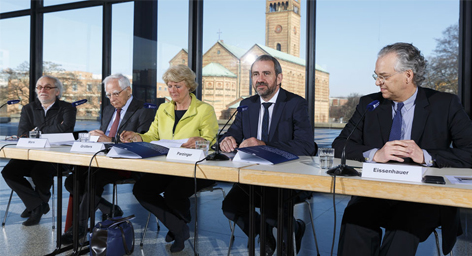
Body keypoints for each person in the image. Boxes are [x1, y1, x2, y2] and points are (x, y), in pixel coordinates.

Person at [332, 42, 472, 256]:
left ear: (408, 75)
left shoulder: (446, 104)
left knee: (403, 229)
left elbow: (469, 151)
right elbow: (340, 145)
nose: (378, 82)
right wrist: (375, 154)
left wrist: (425, 155)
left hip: (423, 197)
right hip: (375, 192)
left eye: (384, 76)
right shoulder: (369, 104)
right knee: (354, 219)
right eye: (376, 76)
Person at [219, 55, 316, 255]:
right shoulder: (247, 105)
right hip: (252, 176)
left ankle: (290, 230)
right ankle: (264, 234)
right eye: (255, 74)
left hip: (285, 178)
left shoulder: (295, 103)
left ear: (278, 78)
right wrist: (226, 140)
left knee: (272, 213)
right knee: (230, 207)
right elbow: (233, 132)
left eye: (266, 73)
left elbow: (305, 146)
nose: (260, 79)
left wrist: (264, 145)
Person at [121, 65, 218, 253]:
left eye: (177, 86)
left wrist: (201, 141)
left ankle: (177, 229)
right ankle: (179, 228)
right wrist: (137, 137)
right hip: (167, 166)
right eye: (170, 86)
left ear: (189, 86)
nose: (173, 90)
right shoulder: (163, 108)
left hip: (195, 168)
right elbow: (152, 135)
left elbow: (211, 141)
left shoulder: (204, 110)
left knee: (174, 194)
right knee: (142, 189)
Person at [61, 73, 154, 244]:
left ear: (128, 90)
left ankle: (80, 228)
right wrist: (95, 135)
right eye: (108, 95)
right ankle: (110, 209)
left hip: (127, 163)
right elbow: (104, 136)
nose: (112, 99)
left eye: (116, 93)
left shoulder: (144, 110)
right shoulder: (108, 110)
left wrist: (110, 140)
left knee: (92, 179)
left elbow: (140, 141)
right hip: (102, 159)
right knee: (72, 181)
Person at [2, 75, 77, 226]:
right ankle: (37, 205)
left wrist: (36, 130)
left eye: (48, 87)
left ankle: (35, 209)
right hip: (30, 155)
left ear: (57, 92)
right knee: (8, 171)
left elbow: (66, 129)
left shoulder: (67, 108)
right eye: (40, 87)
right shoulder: (28, 109)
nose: (43, 90)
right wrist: (52, 129)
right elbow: (22, 134)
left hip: (56, 157)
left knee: (40, 170)